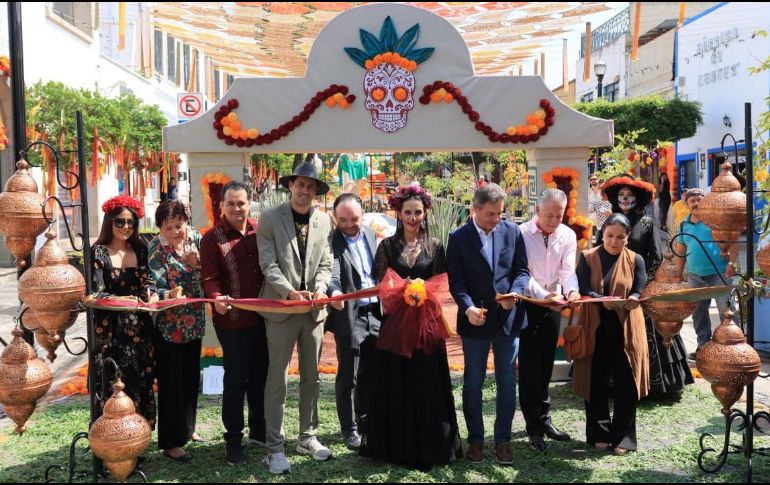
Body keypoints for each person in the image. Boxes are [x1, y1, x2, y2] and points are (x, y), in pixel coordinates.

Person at [362, 182, 462, 469]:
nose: (413, 217)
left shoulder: (435, 246)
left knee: (427, 382)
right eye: (408, 212)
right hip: (395, 326)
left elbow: (441, 285)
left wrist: (422, 291)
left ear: (425, 213)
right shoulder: (386, 247)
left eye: (418, 212)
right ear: (398, 213)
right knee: (395, 380)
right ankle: (394, 445)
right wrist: (402, 290)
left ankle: (430, 444)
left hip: (427, 326)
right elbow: (382, 286)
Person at [257, 162, 334, 474]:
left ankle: (308, 435)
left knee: (312, 378)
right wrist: (289, 291)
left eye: (311, 186)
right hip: (281, 310)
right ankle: (274, 446)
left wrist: (320, 287)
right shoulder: (270, 217)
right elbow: (268, 262)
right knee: (278, 379)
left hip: (314, 312)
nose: (305, 191)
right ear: (290, 186)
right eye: (300, 184)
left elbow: (327, 262)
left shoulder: (324, 221)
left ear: (316, 192)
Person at [446, 183, 530, 466]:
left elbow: (521, 271)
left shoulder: (512, 231)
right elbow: (456, 282)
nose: (496, 220)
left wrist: (515, 295)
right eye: (490, 214)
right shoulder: (457, 238)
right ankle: (476, 441)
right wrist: (467, 308)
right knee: (473, 382)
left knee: (507, 382)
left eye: (500, 214)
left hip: (508, 320)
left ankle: (503, 441)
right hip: (475, 321)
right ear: (475, 209)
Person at [600, 176, 692, 395]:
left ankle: (653, 384)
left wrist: (642, 284)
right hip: (612, 287)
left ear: (637, 198)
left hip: (641, 288)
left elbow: (656, 256)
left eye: (629, 195)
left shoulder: (648, 223)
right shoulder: (608, 221)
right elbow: (599, 252)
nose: (625, 199)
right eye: (621, 195)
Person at [200, 181, 269, 466]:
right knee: (236, 381)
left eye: (241, 203)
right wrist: (216, 298)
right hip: (232, 322)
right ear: (222, 206)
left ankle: (259, 430)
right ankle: (233, 440)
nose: (237, 209)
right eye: (231, 204)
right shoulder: (211, 239)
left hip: (265, 320)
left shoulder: (260, 231)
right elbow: (209, 277)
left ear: (249, 204)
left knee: (261, 377)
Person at [574, 213, 649, 455]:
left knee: (627, 384)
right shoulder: (587, 257)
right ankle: (599, 433)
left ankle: (623, 438)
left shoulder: (635, 259)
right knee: (594, 382)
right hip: (595, 328)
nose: (614, 242)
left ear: (627, 238)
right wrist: (600, 300)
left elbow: (639, 288)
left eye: (620, 237)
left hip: (625, 329)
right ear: (601, 234)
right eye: (609, 236)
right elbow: (583, 287)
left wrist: (634, 299)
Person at [518, 189, 580, 453]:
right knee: (530, 368)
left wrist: (572, 291)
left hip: (554, 304)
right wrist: (545, 296)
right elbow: (522, 274)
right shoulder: (520, 234)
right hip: (528, 304)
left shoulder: (567, 235)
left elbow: (567, 271)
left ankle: (545, 419)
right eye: (549, 215)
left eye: (559, 215)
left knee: (545, 365)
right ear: (537, 212)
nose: (554, 220)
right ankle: (533, 428)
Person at [89, 195, 157, 426]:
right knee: (113, 383)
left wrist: (153, 294)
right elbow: (97, 292)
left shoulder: (141, 248)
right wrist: (123, 300)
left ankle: (137, 437)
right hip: (110, 331)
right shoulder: (98, 252)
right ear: (109, 221)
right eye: (120, 221)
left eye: (132, 222)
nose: (126, 227)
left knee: (141, 381)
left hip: (140, 328)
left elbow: (148, 281)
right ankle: (112, 440)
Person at [148, 200, 204, 463]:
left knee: (191, 378)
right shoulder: (156, 248)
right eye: (169, 227)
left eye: (179, 226)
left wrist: (199, 264)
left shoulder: (196, 239)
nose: (175, 232)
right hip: (169, 325)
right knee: (171, 383)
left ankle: (188, 429)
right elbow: (150, 287)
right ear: (160, 227)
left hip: (194, 321)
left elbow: (210, 272)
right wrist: (168, 294)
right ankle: (171, 441)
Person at [326, 193, 381, 451]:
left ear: (363, 215)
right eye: (343, 219)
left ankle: (368, 419)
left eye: (355, 219)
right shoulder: (332, 241)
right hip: (349, 314)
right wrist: (335, 292)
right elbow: (332, 272)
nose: (349, 224)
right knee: (349, 375)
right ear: (335, 218)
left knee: (372, 370)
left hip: (376, 313)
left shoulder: (371, 234)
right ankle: (349, 429)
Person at [673, 188, 732, 359]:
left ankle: (728, 348)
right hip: (695, 276)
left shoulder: (715, 221)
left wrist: (733, 263)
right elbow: (680, 249)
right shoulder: (684, 225)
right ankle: (703, 347)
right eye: (693, 200)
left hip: (719, 274)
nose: (697, 203)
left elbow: (731, 241)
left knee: (726, 311)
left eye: (700, 200)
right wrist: (678, 273)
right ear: (687, 204)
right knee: (698, 314)